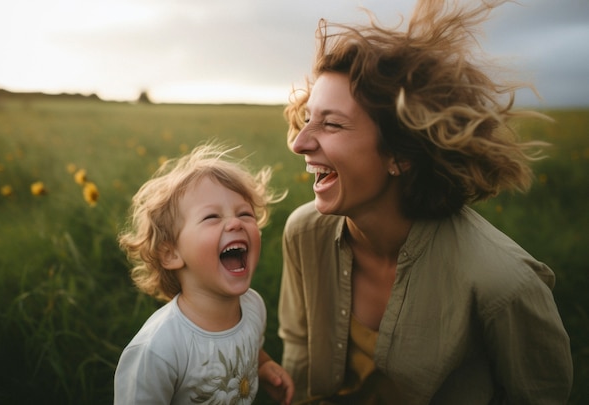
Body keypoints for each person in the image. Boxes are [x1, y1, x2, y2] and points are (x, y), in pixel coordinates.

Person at [277, 0, 573, 404]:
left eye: (331, 124)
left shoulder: (504, 284)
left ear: (400, 155)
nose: (299, 142)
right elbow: (298, 349)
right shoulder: (304, 232)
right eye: (308, 117)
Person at [114, 143, 294, 404]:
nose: (235, 223)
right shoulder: (159, 349)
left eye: (245, 213)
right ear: (171, 254)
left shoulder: (254, 306)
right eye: (212, 217)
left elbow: (251, 347)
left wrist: (263, 366)